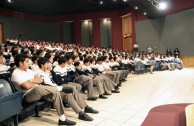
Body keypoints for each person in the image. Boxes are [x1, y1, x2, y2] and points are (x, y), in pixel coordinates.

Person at [11, 54, 76, 125]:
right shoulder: (16, 73)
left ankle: (62, 119)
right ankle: (59, 88)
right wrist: (34, 82)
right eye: (26, 61)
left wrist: (31, 81)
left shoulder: (29, 71)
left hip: (39, 91)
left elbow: (41, 79)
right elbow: (26, 86)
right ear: (20, 63)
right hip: (26, 96)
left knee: (55, 94)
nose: (29, 63)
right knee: (38, 87)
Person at [36, 57, 99, 121]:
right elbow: (44, 84)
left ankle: (82, 112)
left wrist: (51, 71)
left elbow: (55, 80)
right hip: (49, 91)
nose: (49, 65)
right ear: (42, 64)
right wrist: (56, 86)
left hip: (56, 87)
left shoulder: (47, 72)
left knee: (70, 93)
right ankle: (82, 110)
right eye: (47, 63)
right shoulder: (38, 73)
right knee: (71, 91)